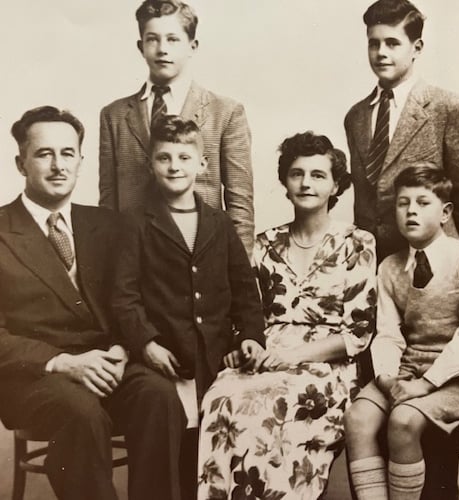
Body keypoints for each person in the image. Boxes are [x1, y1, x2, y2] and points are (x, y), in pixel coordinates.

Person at [0, 106, 184, 500]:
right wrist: (64, 363)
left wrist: (121, 348)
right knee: (80, 413)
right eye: (44, 154)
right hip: (37, 377)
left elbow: (134, 304)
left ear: (81, 160)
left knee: (159, 396)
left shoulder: (109, 225)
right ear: (20, 162)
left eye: (67, 153)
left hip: (108, 363)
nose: (57, 165)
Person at [197, 132, 377, 500]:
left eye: (317, 175)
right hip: (266, 353)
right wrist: (242, 344)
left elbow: (357, 333)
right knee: (221, 397)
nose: (306, 183)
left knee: (278, 402)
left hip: (327, 364)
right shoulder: (264, 244)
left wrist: (293, 357)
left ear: (335, 185)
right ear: (284, 181)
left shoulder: (358, 243)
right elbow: (247, 313)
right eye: (297, 173)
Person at [111, 115, 265, 500]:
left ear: (202, 164)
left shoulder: (220, 223)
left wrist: (250, 336)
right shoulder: (135, 223)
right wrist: (146, 343)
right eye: (164, 158)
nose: (174, 166)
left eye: (184, 157)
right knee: (169, 447)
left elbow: (245, 291)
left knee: (212, 452)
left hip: (215, 357)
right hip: (165, 356)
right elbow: (123, 296)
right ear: (150, 164)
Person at [344, 165, 459, 500]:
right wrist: (388, 377)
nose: (411, 211)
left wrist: (426, 383)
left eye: (422, 202)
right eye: (403, 204)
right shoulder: (390, 267)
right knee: (358, 418)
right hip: (407, 369)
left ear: (446, 212)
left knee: (403, 421)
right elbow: (388, 333)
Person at [99, 0, 255, 256]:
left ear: (192, 46)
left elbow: (240, 204)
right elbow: (108, 201)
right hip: (135, 257)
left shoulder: (225, 112)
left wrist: (241, 270)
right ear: (141, 47)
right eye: (152, 39)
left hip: (201, 256)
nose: (162, 49)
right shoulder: (114, 115)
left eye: (173, 39)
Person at [344, 0, 459, 261]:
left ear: (416, 48)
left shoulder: (447, 108)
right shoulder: (356, 116)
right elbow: (364, 198)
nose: (381, 52)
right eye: (374, 43)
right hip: (373, 261)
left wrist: (449, 257)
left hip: (433, 261)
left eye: (393, 43)